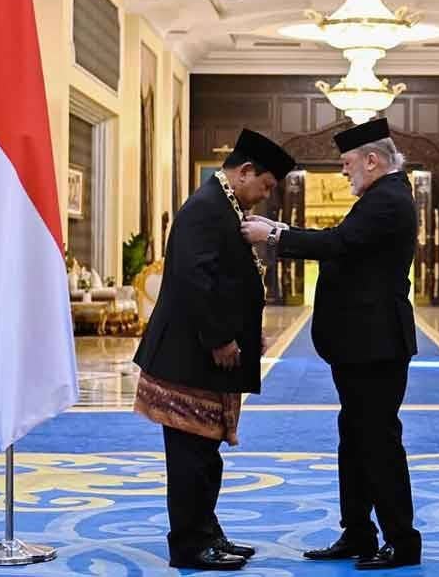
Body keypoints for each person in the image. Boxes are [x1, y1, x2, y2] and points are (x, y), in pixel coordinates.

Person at [241, 117, 422, 571]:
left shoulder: (389, 199)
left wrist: (274, 234)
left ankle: (401, 540)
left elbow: (339, 243)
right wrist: (279, 228)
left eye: (347, 163)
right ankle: (358, 531)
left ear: (372, 160)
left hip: (376, 344)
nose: (343, 171)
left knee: (377, 442)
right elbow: (345, 245)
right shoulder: (381, 196)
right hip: (361, 343)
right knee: (354, 439)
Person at [133, 129, 296, 571]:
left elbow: (228, 280)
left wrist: (246, 332)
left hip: (201, 355)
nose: (265, 196)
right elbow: (195, 280)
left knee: (205, 455)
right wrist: (222, 338)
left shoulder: (223, 205)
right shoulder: (206, 208)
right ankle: (190, 544)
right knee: (190, 457)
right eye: (265, 185)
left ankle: (207, 532)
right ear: (245, 171)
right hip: (188, 357)